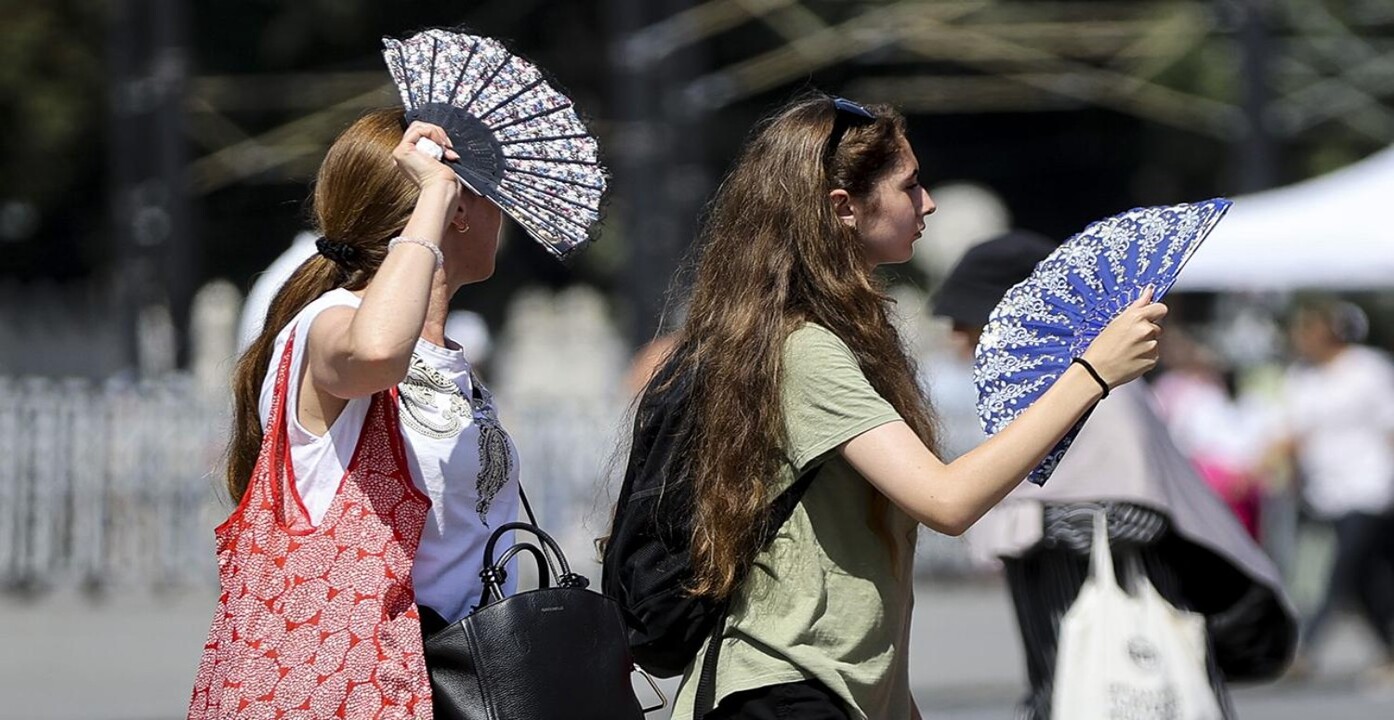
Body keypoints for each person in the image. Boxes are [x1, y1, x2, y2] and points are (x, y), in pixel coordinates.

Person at [641, 93, 1167, 720]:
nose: (930, 203)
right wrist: (1091, 373)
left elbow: (858, 572)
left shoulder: (829, 339)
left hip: (828, 690)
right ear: (844, 209)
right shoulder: (803, 350)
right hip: (782, 690)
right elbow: (946, 501)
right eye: (911, 186)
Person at [189, 108, 522, 717]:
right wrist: (438, 191)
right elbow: (376, 352)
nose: (504, 210)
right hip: (345, 685)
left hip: (446, 682)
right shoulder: (328, 325)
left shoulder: (451, 362)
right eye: (490, 191)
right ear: (454, 210)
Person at [934, 230, 1297, 719]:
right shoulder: (1044, 389)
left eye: (967, 321)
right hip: (1067, 652)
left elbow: (1138, 515)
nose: (958, 338)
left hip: (1123, 643)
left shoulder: (1098, 387)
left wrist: (1030, 521)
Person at [1280, 300, 1394, 679]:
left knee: (1339, 570)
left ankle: (1305, 650)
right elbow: (1296, 432)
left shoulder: (1369, 370)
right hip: (1324, 492)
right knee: (1366, 579)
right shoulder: (1303, 378)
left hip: (1368, 487)